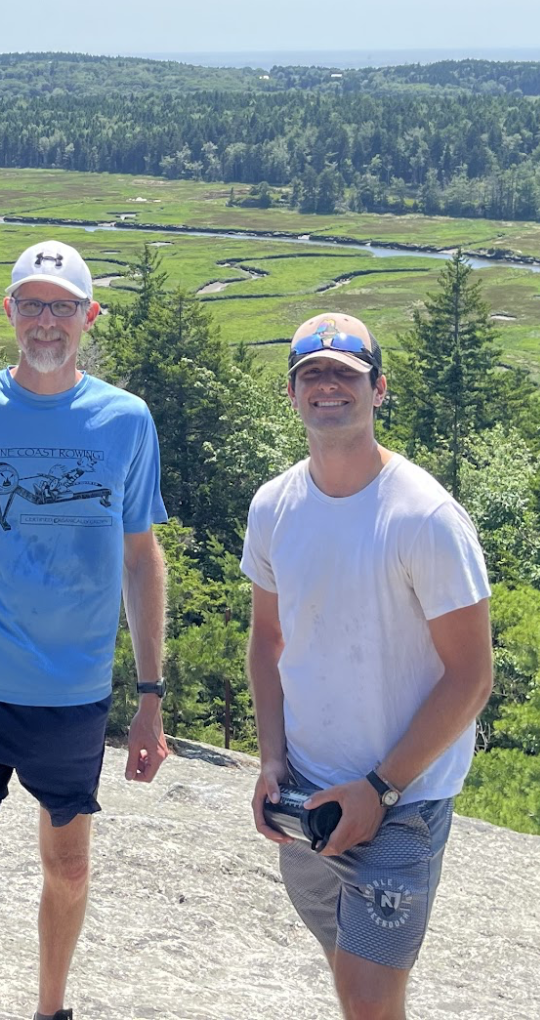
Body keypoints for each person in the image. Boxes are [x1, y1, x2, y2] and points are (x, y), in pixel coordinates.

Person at [0, 239, 169, 1020]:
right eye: (31, 304)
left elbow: (142, 559)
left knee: (70, 872)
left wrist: (149, 698)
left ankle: (52, 1009)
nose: (45, 322)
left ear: (89, 316)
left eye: (62, 306)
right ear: (9, 311)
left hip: (71, 694)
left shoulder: (126, 420)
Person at [242, 312, 493, 1019]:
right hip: (308, 793)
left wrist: (379, 788)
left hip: (399, 804)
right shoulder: (275, 506)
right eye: (311, 374)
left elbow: (471, 677)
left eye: (345, 375)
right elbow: (268, 640)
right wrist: (270, 760)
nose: (328, 387)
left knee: (368, 1001)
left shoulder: (425, 517)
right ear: (291, 394)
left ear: (378, 390)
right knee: (350, 980)